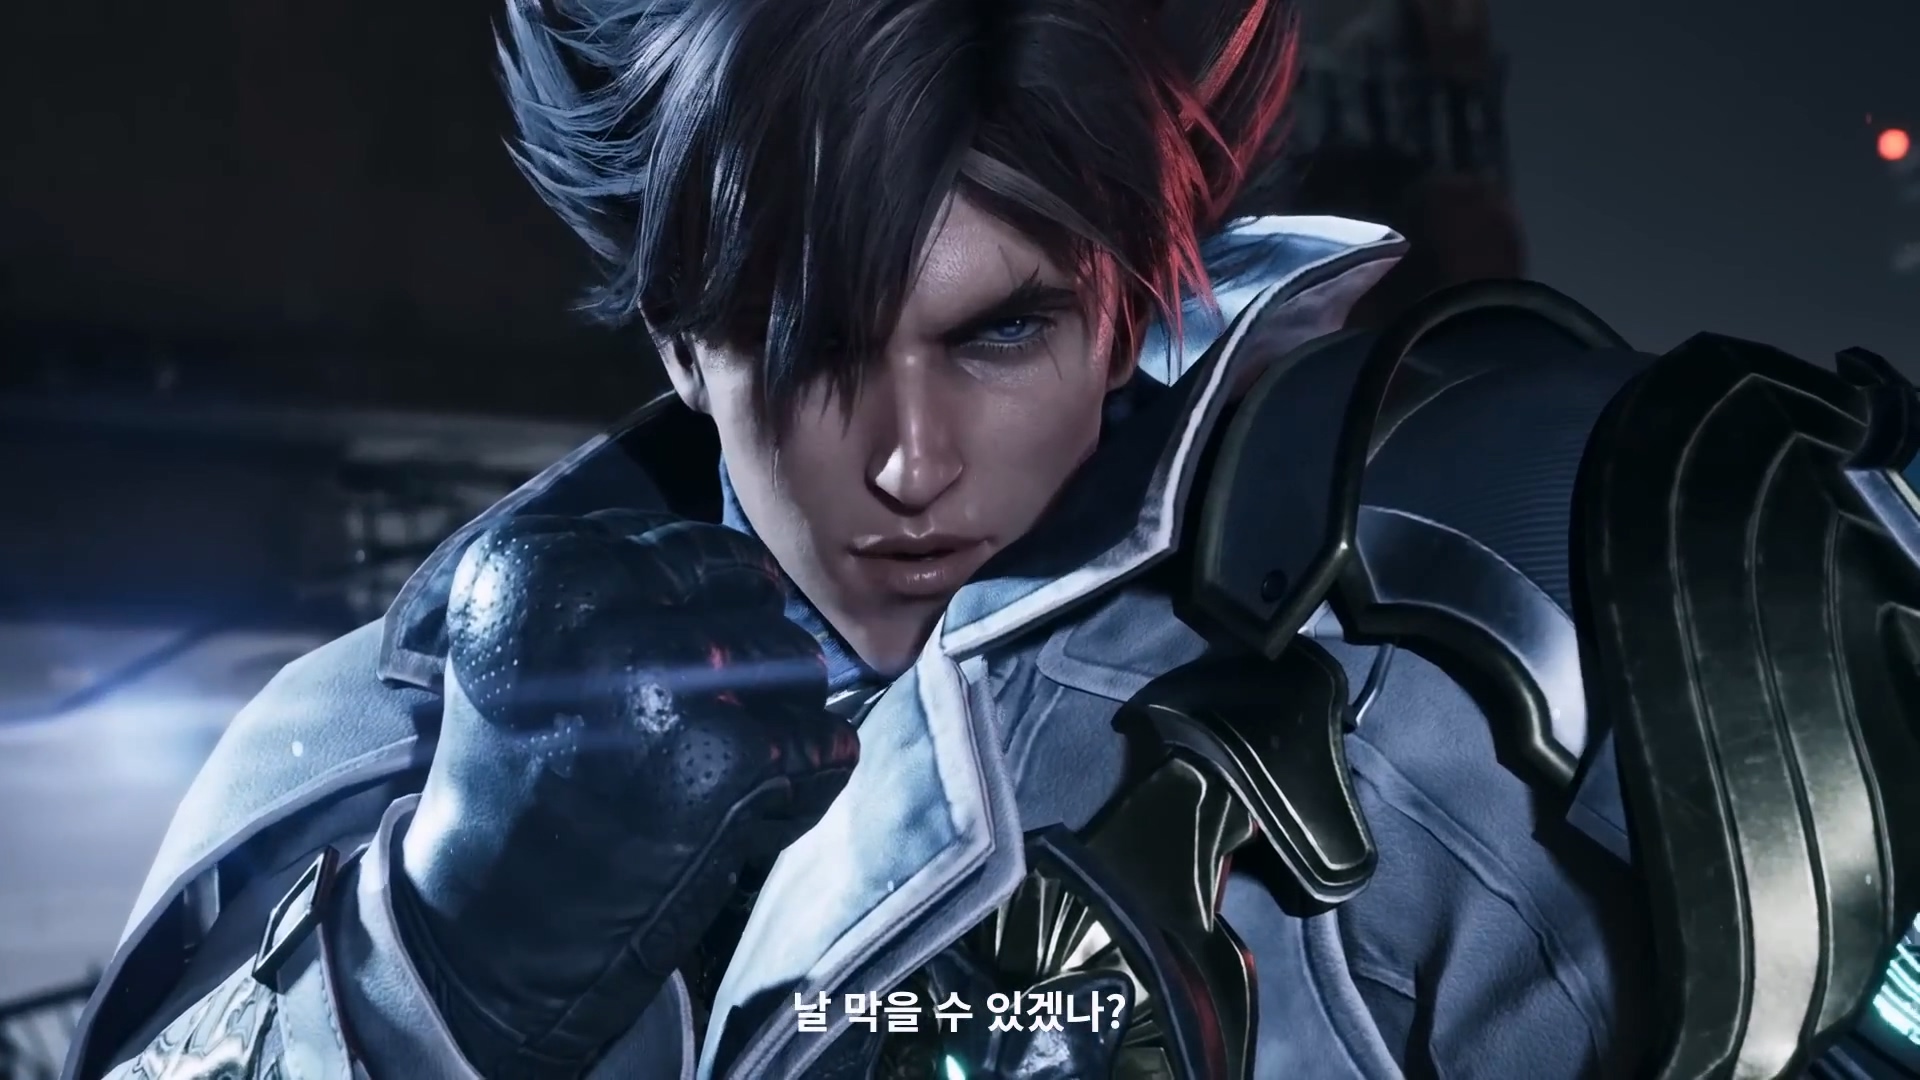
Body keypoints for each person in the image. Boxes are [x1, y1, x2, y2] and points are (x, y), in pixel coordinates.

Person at [66, 0, 1920, 1077]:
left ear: (1132, 305)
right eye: (809, 344)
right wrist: (436, 965)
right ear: (679, 341)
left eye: (999, 332)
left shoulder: (1452, 670)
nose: (906, 462)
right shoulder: (385, 749)